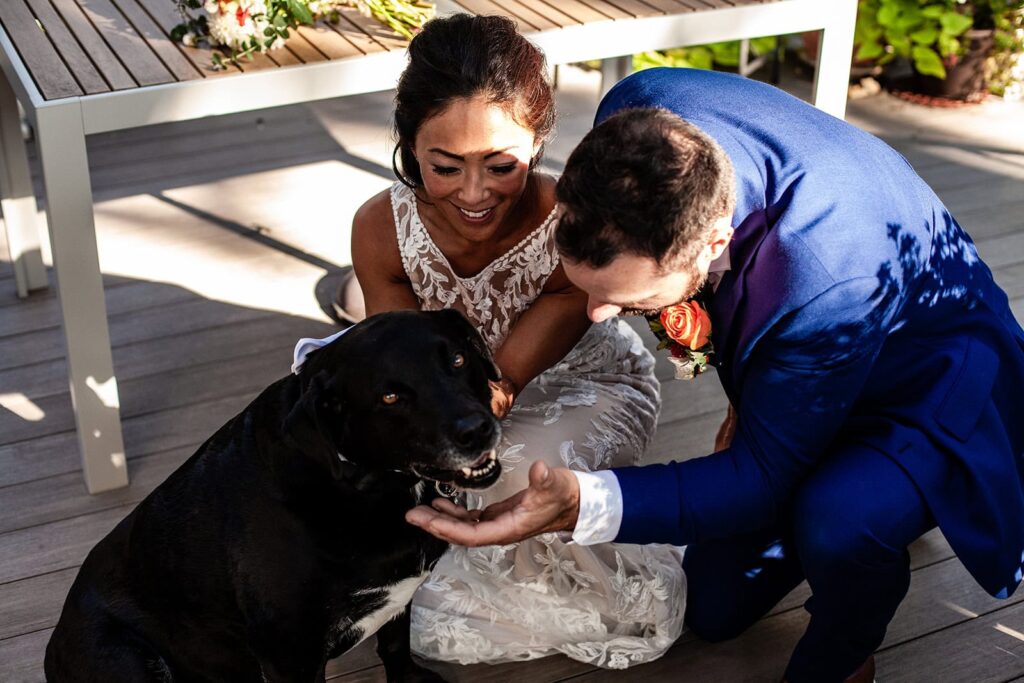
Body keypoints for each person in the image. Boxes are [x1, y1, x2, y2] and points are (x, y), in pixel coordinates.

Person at [405, 67, 1024, 682]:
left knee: (839, 520)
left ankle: (850, 635)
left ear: (712, 241)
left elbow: (760, 478)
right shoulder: (637, 111)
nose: (598, 314)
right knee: (715, 607)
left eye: (630, 300)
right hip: (798, 363)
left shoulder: (823, 280)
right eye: (590, 288)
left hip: (919, 390)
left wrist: (578, 502)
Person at [334, 15, 686, 668]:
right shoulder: (380, 227)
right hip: (446, 392)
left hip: (578, 380)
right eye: (444, 166)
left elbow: (504, 385)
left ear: (539, 140)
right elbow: (401, 363)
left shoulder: (565, 217)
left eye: (501, 165)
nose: (475, 193)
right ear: (410, 146)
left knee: (524, 479)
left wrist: (456, 434)